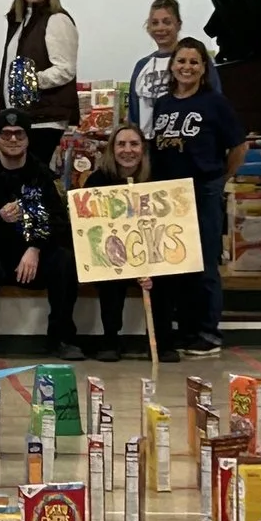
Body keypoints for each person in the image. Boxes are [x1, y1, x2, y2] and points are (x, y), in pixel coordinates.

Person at [145, 38, 245, 357]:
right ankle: (184, 329)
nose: (187, 67)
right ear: (172, 66)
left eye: (194, 62)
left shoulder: (215, 103)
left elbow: (239, 147)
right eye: (182, 61)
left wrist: (219, 179)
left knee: (204, 263)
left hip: (202, 189)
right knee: (176, 263)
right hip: (168, 195)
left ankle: (208, 332)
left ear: (204, 68)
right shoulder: (162, 103)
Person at [0, 113, 78, 361]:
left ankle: (62, 338)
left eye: (19, 133)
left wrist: (35, 246)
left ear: (27, 139)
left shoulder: (44, 176)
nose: (13, 139)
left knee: (65, 262)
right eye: (6, 133)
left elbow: (59, 222)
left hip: (33, 256)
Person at [0, 0, 82, 174]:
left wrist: (31, 81)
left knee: (33, 183)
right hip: (22, 118)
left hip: (45, 120)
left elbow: (65, 69)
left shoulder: (57, 20)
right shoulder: (20, 21)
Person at [81, 123, 154, 362]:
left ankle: (161, 340)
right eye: (121, 144)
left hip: (149, 251)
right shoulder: (97, 180)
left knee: (166, 277)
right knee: (111, 276)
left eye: (134, 144)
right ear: (112, 149)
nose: (127, 150)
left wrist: (151, 265)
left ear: (143, 148)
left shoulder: (156, 179)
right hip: (111, 252)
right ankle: (110, 339)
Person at [127, 0, 220, 134]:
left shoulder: (195, 60)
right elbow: (134, 114)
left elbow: (215, 102)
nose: (161, 28)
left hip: (188, 141)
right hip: (149, 145)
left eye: (166, 22)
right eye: (155, 22)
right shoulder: (142, 66)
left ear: (178, 24)